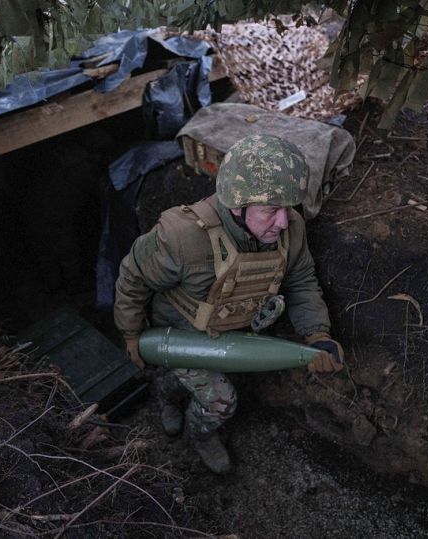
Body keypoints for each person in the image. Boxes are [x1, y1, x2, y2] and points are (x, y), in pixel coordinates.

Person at [113, 134, 344, 474]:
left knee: (182, 378)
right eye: (271, 210)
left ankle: (169, 392)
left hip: (229, 328)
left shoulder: (290, 229)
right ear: (237, 204)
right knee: (221, 401)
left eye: (288, 208)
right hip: (177, 330)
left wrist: (317, 335)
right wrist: (131, 333)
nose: (283, 222)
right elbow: (133, 276)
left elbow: (301, 280)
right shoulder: (183, 238)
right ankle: (200, 432)